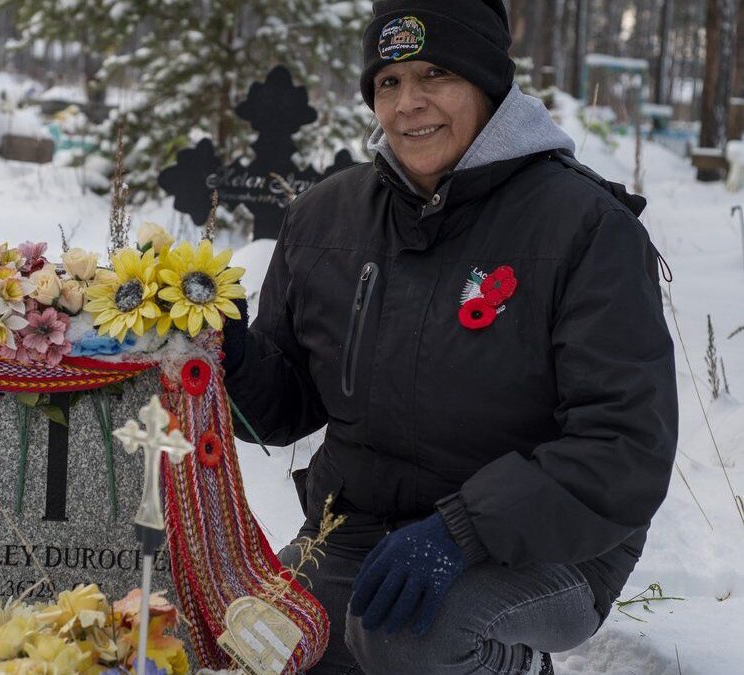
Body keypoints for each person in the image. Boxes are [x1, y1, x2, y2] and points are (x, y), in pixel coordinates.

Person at [222, 1, 678, 673]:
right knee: (251, 638)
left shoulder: (583, 226)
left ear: (487, 84)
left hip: (541, 547)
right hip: (360, 532)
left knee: (409, 639)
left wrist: (461, 529)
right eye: (388, 82)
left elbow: (623, 446)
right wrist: (226, 352)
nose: (409, 103)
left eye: (435, 73)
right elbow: (285, 406)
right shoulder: (326, 216)